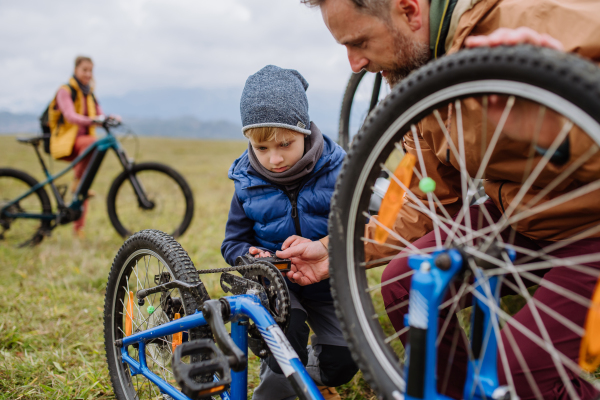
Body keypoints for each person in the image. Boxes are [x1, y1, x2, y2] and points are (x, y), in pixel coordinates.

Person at [277, 0, 600, 399]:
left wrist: (560, 134)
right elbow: (429, 200)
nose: (354, 64)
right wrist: (333, 250)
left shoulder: (539, 19)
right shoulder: (418, 73)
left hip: (591, 228)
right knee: (403, 283)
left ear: (410, 11)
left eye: (359, 41)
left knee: (513, 375)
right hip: (522, 217)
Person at [221, 65, 357, 400]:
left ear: (305, 131)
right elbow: (232, 241)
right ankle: (273, 391)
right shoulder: (247, 182)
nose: (275, 158)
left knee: (344, 363)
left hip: (328, 282)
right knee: (287, 332)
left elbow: (360, 227)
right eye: (261, 147)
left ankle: (309, 373)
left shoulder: (340, 170)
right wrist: (248, 256)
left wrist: (323, 246)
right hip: (277, 286)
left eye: (285, 143)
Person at [47, 56, 118, 238]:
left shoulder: (90, 93)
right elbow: (70, 116)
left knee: (85, 184)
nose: (87, 74)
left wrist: (110, 119)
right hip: (66, 143)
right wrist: (93, 121)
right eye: (84, 70)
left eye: (90, 70)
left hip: (85, 145)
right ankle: (76, 182)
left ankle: (79, 229)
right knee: (90, 150)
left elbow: (100, 116)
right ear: (76, 70)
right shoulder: (65, 91)